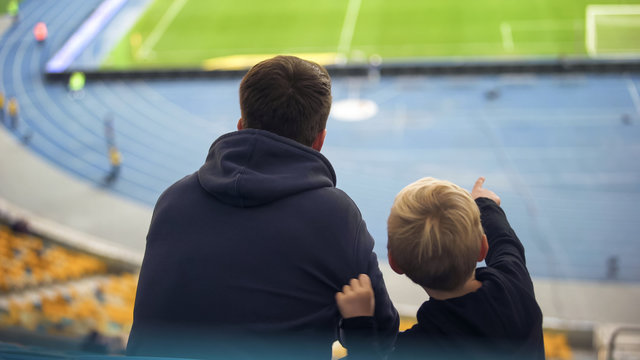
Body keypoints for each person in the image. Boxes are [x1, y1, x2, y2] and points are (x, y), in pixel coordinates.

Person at [127, 55, 399, 359]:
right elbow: (382, 336)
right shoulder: (337, 218)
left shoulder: (172, 200)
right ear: (319, 140)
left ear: (242, 126)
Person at [336, 177, 544, 359]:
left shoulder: (417, 349)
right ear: (482, 248)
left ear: (394, 263)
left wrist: (359, 323)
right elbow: (506, 244)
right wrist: (486, 205)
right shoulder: (516, 285)